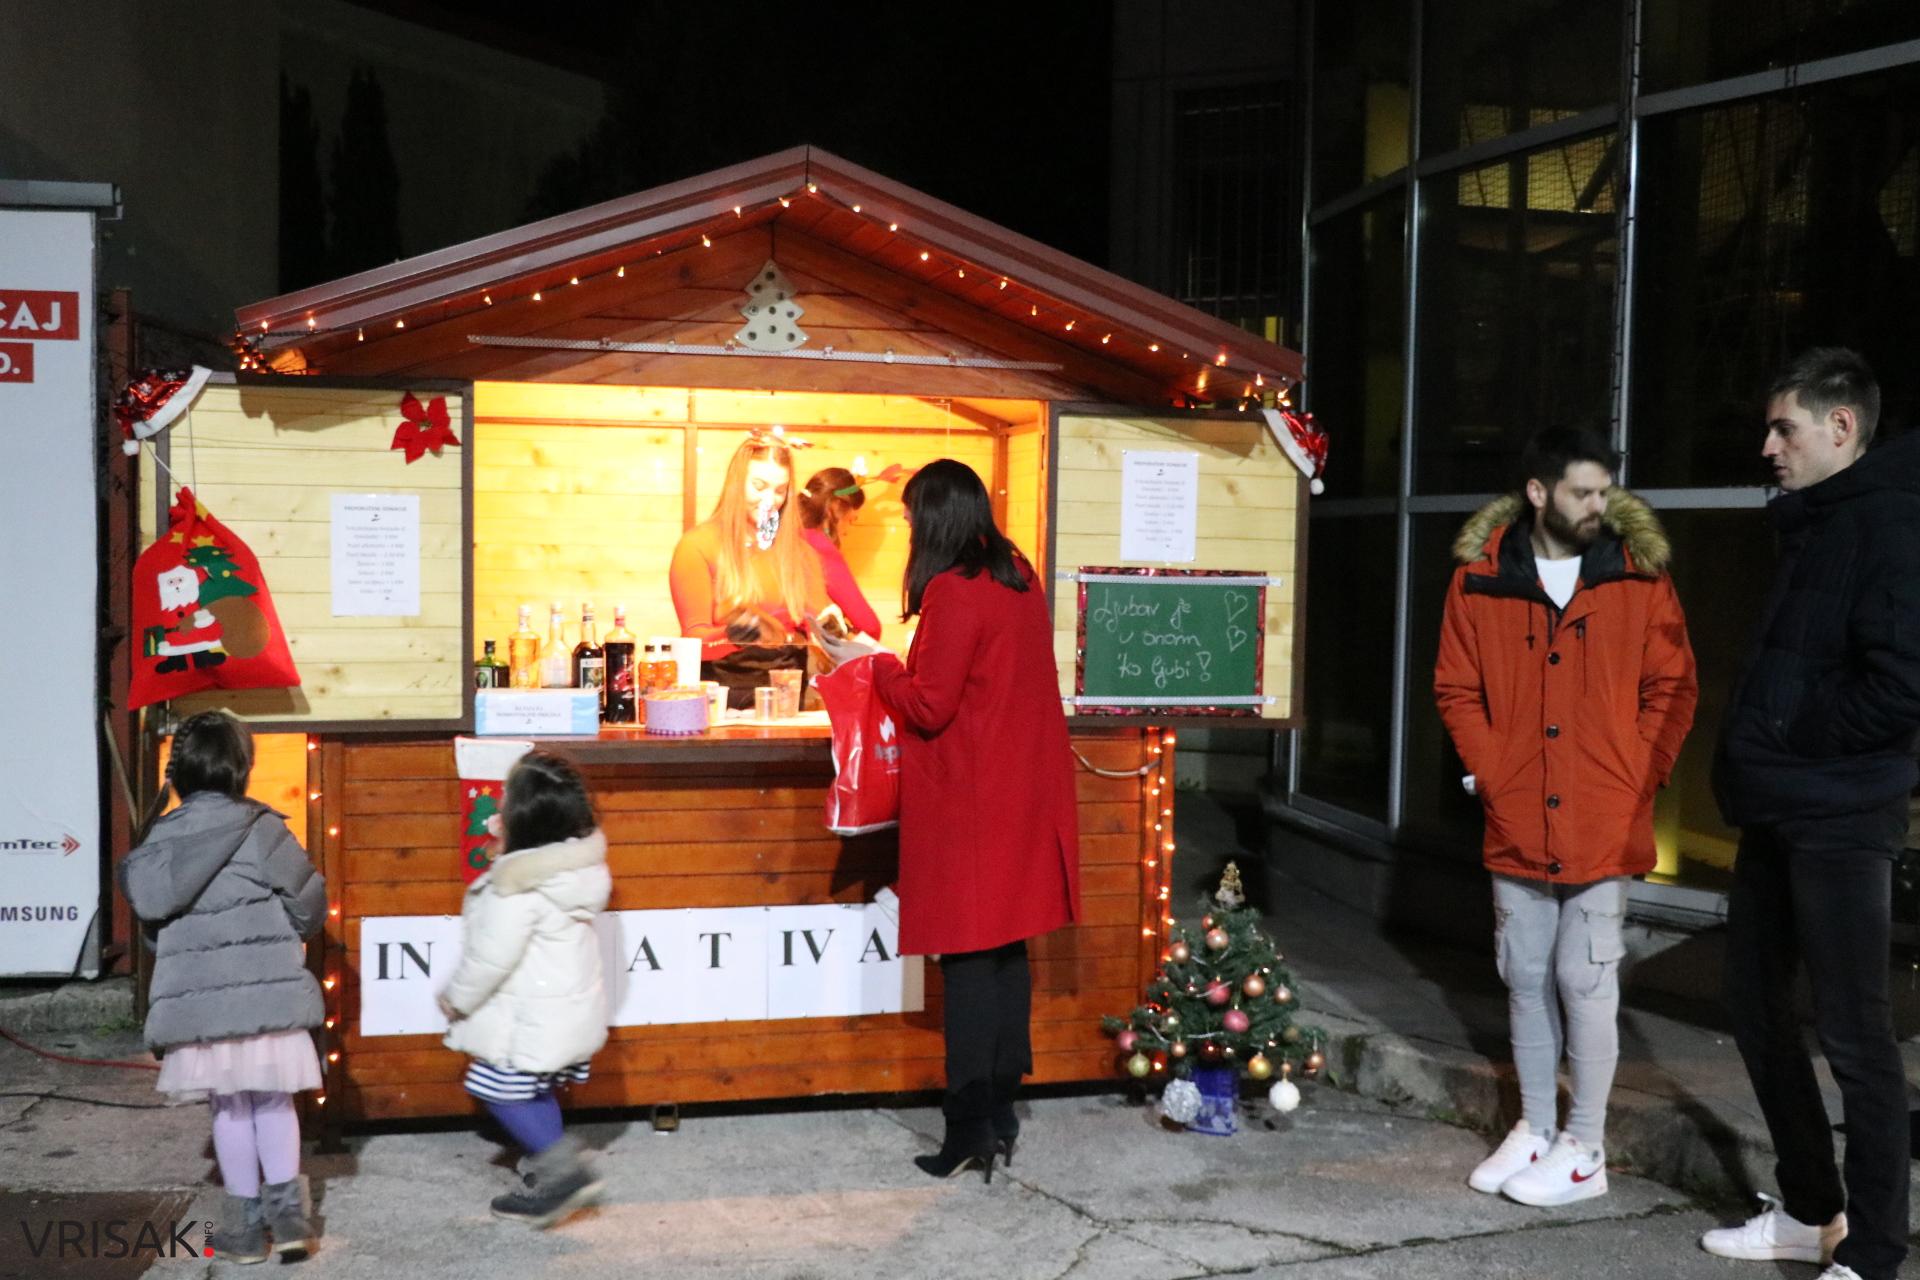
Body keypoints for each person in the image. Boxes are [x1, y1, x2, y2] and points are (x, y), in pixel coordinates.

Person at [1434, 426, 1698, 1208]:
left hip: (1601, 820)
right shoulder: (1480, 581)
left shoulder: (1636, 578)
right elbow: (1456, 687)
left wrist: (1633, 780)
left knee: (1586, 983)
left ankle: (1586, 1147)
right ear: (1539, 493)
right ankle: (1536, 1126)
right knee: (1522, 977)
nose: (1600, 505)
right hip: (1518, 820)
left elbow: (1674, 688)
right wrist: (1493, 771)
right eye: (1584, 491)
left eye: (1605, 491)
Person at [1702, 348, 1920, 1280]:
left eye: (1783, 427)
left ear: (1842, 428)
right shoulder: (1816, 522)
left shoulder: (1891, 525)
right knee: (1754, 1006)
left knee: (1856, 1036)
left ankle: (1871, 1253)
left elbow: (1902, 684)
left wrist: (1795, 734)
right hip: (1780, 808)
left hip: (1840, 815)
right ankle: (1808, 1209)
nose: (1768, 445)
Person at [814, 458, 1080, 1183]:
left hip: (972, 802)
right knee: (1004, 956)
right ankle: (997, 1113)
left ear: (933, 519)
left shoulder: (955, 593)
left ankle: (966, 1130)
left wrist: (869, 661)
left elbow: (929, 705)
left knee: (967, 964)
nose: (904, 529)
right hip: (1021, 794)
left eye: (908, 517)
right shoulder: (1013, 572)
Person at [119, 710, 327, 1263]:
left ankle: (240, 1230)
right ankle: (289, 1224)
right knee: (275, 1101)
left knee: (230, 1108)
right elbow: (307, 905)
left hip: (202, 1010)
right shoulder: (263, 828)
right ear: (241, 768)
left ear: (179, 771)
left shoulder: (159, 839)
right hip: (269, 998)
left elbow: (151, 921)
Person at [437, 751, 611, 1229]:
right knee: (535, 1091)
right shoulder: (572, 871)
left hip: (526, 1020)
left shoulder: (516, 889)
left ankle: (564, 1171)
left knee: (498, 1092)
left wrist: (457, 999)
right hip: (563, 1013)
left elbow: (490, 960)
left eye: (506, 800)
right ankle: (546, 1176)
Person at [670, 434, 828, 707]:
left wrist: (830, 634)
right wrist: (731, 636)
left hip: (786, 703)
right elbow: (694, 643)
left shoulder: (800, 554)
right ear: (736, 483)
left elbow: (821, 624)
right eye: (758, 486)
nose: (770, 500)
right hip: (723, 701)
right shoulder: (697, 546)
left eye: (780, 491)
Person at [798, 466, 885, 640]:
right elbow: (869, 626)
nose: (847, 530)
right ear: (835, 507)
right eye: (851, 520)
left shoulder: (785, 534)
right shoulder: (818, 546)